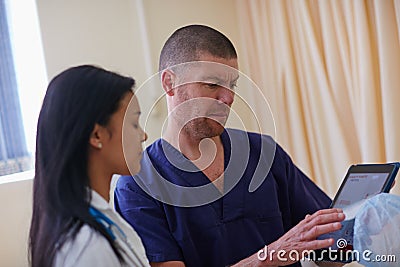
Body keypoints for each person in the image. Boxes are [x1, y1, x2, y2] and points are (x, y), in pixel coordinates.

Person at [115, 25, 345, 267]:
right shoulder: (138, 184)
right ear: (170, 83)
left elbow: (331, 254)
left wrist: (360, 227)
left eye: (232, 85)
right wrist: (268, 257)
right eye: (212, 85)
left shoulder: (263, 153)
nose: (228, 98)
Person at [29, 65, 150, 267]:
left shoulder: (98, 221)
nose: (143, 135)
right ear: (97, 135)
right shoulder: (88, 247)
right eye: (134, 123)